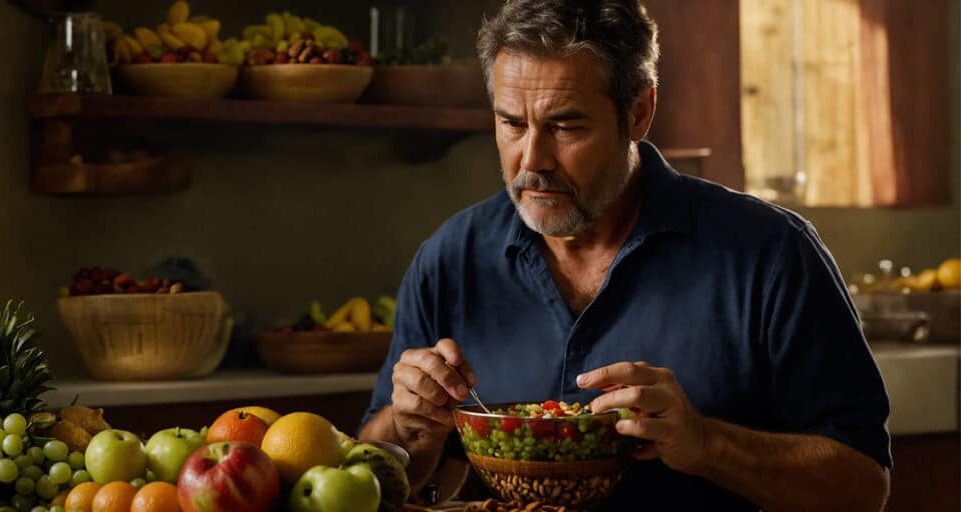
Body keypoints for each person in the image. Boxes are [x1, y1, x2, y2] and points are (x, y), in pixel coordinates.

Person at [358, 0, 891, 509]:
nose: (533, 159)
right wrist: (408, 432)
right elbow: (391, 474)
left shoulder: (773, 256)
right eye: (512, 124)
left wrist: (707, 444)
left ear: (639, 112)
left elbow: (862, 488)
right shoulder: (450, 258)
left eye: (566, 125)